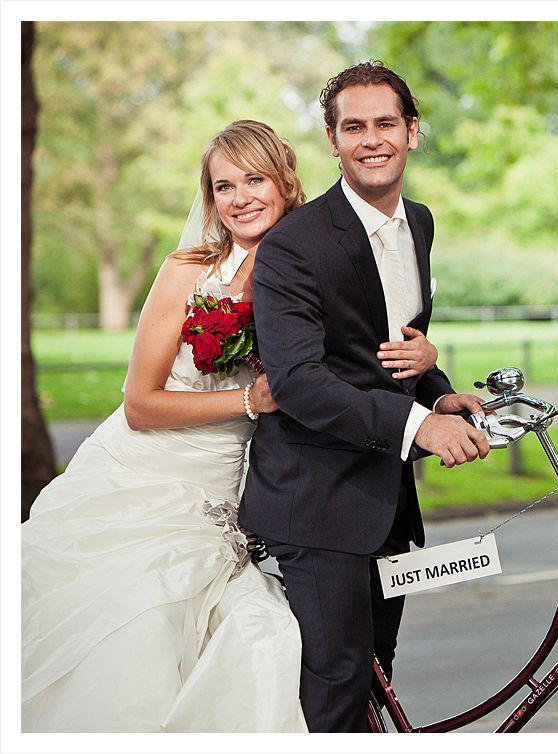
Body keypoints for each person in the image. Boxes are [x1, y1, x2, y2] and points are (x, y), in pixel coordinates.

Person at [21, 119, 440, 732]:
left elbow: (362, 355)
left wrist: (429, 364)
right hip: (147, 474)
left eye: (254, 180)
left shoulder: (314, 255)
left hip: (227, 480)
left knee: (256, 641)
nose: (241, 197)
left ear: (284, 179)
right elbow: (141, 403)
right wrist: (250, 400)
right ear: (210, 198)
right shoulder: (188, 270)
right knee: (140, 624)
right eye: (224, 187)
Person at [238, 61, 490, 733]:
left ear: (413, 132)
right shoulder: (293, 246)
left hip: (386, 499)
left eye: (386, 123)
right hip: (315, 499)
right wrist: (418, 427)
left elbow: (393, 342)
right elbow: (298, 383)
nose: (371, 139)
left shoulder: (422, 223)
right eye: (354, 126)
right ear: (332, 139)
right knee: (336, 689)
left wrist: (437, 394)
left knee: (376, 673)